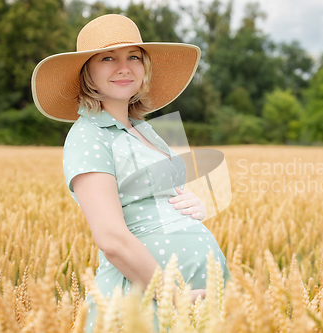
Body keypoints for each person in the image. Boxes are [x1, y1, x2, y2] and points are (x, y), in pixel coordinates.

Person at [31, 14, 231, 332]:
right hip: (145, 301)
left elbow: (164, 196)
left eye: (133, 57)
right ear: (87, 73)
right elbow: (111, 238)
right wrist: (172, 296)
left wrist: (196, 206)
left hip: (194, 296)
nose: (124, 67)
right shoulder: (88, 134)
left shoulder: (147, 130)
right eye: (108, 58)